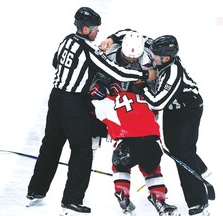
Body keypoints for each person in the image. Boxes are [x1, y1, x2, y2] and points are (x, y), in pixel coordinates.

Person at [26, 7, 151, 216]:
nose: (98, 32)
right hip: (73, 103)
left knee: (50, 146)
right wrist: (144, 74)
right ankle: (72, 201)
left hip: (55, 98)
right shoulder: (88, 50)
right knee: (82, 150)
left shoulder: (67, 40)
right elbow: (116, 71)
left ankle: (35, 191)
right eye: (95, 29)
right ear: (85, 29)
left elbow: (56, 62)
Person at [142, 35, 211, 216]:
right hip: (174, 109)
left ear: (166, 58)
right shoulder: (159, 53)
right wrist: (112, 38)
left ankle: (199, 203)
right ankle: (200, 168)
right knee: (173, 147)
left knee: (183, 155)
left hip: (189, 110)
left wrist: (143, 86)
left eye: (156, 55)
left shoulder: (173, 72)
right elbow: (137, 36)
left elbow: (157, 103)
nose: (152, 56)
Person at [92, 86, 180, 216]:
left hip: (127, 144)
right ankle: (159, 199)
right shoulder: (147, 98)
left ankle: (123, 193)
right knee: (152, 170)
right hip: (153, 144)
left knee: (120, 166)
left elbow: (97, 115)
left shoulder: (109, 100)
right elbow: (154, 116)